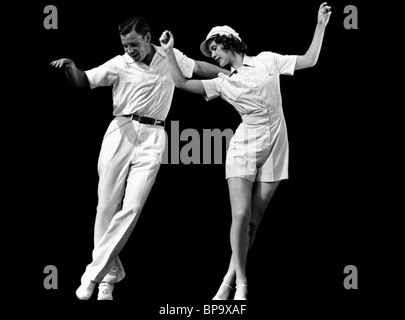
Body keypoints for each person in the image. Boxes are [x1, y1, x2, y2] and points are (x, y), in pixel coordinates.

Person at [159, 2, 331, 300]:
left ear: (229, 43)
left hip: (277, 145)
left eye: (214, 48)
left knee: (253, 221)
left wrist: (320, 25)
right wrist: (169, 51)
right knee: (240, 215)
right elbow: (181, 82)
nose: (212, 55)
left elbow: (310, 60)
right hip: (243, 147)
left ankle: (227, 280)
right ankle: (242, 284)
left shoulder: (267, 60)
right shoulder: (223, 82)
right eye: (210, 51)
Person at [50, 15, 227, 300]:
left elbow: (198, 67)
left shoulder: (170, 56)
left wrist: (228, 73)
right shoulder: (119, 64)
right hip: (121, 130)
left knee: (131, 208)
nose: (129, 49)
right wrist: (72, 67)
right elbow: (84, 80)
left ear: (148, 38)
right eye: (124, 44)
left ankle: (92, 274)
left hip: (154, 136)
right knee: (106, 207)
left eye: (133, 44)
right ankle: (109, 277)